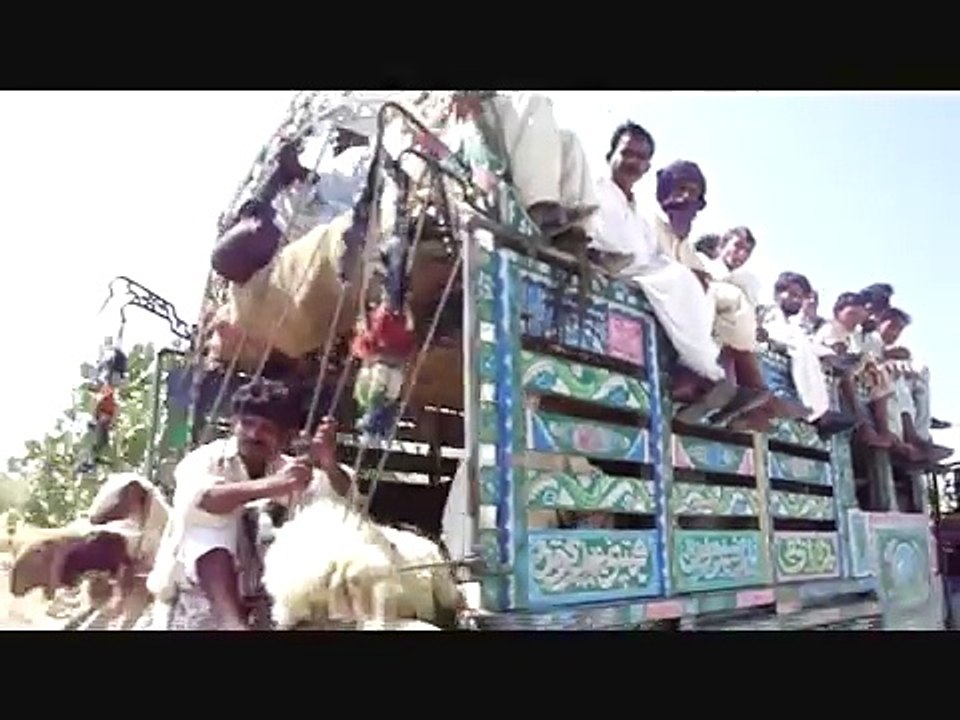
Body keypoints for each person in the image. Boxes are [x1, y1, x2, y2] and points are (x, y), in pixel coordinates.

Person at [588, 123, 772, 425]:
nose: (633, 162)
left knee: (692, 284)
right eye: (627, 153)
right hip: (616, 269)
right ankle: (705, 374)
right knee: (681, 281)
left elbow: (654, 255)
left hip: (644, 272)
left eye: (641, 157)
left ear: (648, 166)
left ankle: (708, 378)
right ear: (611, 154)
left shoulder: (636, 213)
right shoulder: (597, 191)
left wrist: (692, 274)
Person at [145, 378, 353, 630]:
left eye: (266, 428)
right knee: (214, 522)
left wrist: (329, 463)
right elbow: (203, 500)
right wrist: (276, 485)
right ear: (233, 424)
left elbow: (344, 502)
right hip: (197, 592)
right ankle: (231, 624)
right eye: (248, 423)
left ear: (285, 436)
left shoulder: (292, 471)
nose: (254, 434)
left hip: (265, 596)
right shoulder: (206, 460)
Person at [647, 160, 806, 431]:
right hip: (657, 296)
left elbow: (696, 272)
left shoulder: (683, 242)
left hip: (692, 309)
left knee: (729, 300)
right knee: (718, 297)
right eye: (681, 188)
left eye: (694, 194)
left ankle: (743, 394)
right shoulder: (648, 220)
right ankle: (733, 388)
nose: (686, 198)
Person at [758, 272, 855, 438]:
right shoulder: (765, 312)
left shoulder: (795, 325)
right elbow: (764, 334)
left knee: (808, 349)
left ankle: (818, 411)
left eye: (801, 297)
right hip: (768, 348)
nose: (797, 300)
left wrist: (829, 355)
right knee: (802, 348)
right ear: (777, 294)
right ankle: (818, 413)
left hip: (792, 349)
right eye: (793, 294)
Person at [814, 291, 900, 449]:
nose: (855, 319)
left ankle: (884, 431)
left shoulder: (853, 335)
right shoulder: (831, 329)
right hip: (831, 373)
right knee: (848, 374)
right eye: (851, 314)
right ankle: (863, 426)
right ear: (838, 312)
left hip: (853, 374)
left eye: (858, 315)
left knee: (879, 374)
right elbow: (835, 356)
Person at [876, 307, 952, 463]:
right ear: (880, 323)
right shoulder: (870, 338)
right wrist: (888, 359)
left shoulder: (890, 347)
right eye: (892, 327)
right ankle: (912, 436)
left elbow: (903, 357)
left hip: (888, 382)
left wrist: (905, 368)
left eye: (899, 330)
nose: (895, 333)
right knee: (897, 381)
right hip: (871, 384)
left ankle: (921, 436)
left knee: (919, 377)